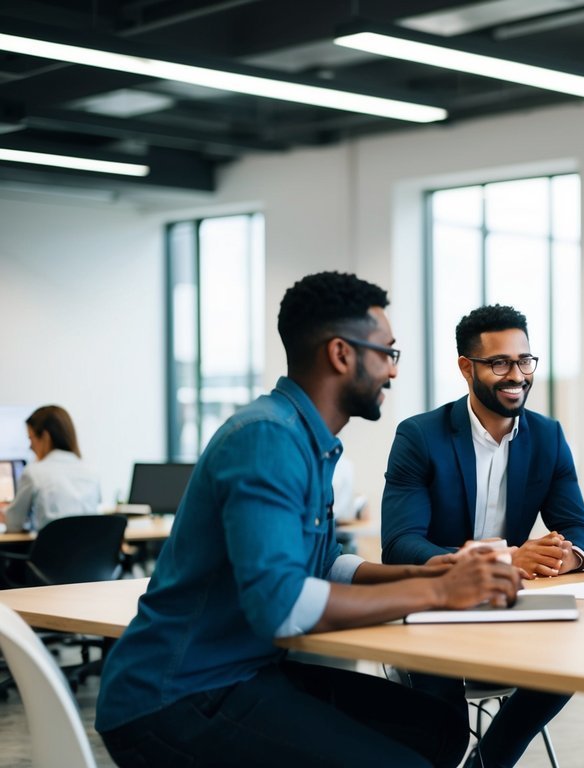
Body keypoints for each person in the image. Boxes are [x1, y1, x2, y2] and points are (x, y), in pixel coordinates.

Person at [96, 272, 522, 768]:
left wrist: (432, 571)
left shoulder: (305, 438)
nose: (393, 371)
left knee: (439, 728)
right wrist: (440, 593)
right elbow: (282, 604)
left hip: (243, 673)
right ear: (342, 354)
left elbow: (324, 566)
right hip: (178, 697)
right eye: (387, 353)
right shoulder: (267, 439)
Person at [381, 304, 584, 768]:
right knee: (446, 735)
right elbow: (400, 544)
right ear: (467, 368)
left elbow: (580, 532)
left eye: (524, 361)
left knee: (570, 659)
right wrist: (504, 559)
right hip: (433, 604)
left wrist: (567, 556)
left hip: (509, 607)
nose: (516, 375)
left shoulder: (548, 437)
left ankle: (489, 764)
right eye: (500, 363)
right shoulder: (420, 436)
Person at [2, 405, 100, 532]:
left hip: (50, 550)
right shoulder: (91, 471)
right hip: (88, 550)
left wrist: (5, 513)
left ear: (45, 437)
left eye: (31, 439)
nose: (30, 447)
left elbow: (14, 524)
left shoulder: (34, 472)